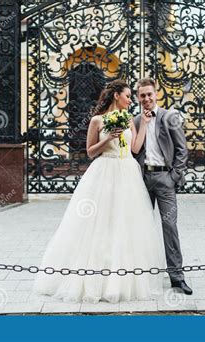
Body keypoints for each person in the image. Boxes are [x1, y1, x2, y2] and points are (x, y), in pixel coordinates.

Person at [32, 80, 166, 303]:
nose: (131, 100)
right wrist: (109, 138)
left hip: (127, 171)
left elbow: (134, 149)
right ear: (116, 96)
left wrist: (142, 124)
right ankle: (93, 279)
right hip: (104, 171)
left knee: (125, 223)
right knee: (99, 221)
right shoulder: (97, 120)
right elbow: (90, 152)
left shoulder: (129, 119)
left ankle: (123, 279)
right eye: (128, 96)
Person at [133, 78, 192, 295]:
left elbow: (182, 149)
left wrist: (174, 176)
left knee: (169, 227)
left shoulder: (170, 117)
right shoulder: (136, 120)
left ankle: (177, 277)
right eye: (142, 95)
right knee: (141, 227)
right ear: (138, 98)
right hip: (142, 180)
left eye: (149, 94)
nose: (146, 99)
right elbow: (133, 150)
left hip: (164, 180)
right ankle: (142, 275)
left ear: (156, 94)